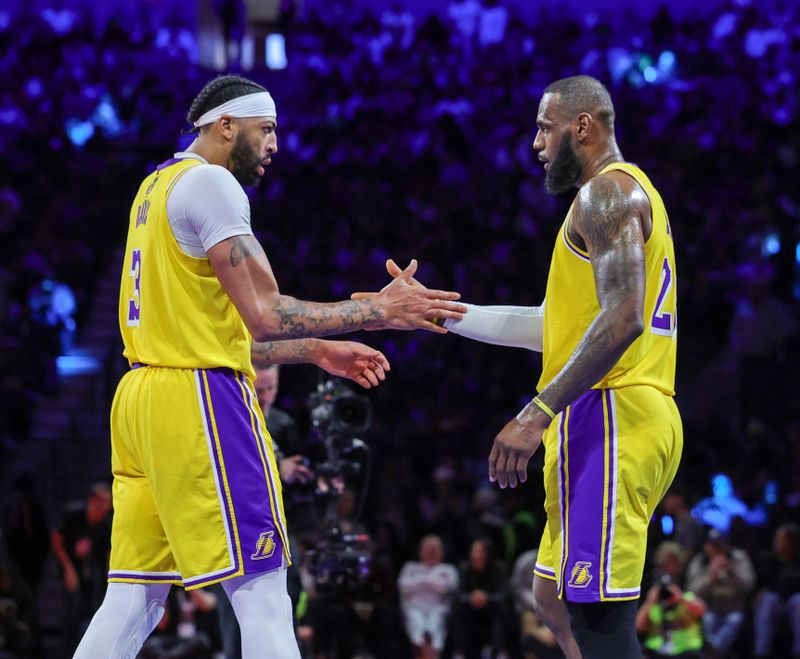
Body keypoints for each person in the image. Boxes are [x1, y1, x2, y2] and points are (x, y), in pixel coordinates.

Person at [73, 74, 466, 659]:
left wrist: (315, 350)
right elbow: (265, 315)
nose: (276, 144)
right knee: (263, 589)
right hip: (199, 400)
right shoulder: (213, 186)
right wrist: (377, 309)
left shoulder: (155, 187)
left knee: (135, 598)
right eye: (267, 129)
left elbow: (211, 329)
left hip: (140, 401)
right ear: (224, 126)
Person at [374, 75, 682, 658]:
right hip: (608, 412)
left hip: (613, 411)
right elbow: (554, 329)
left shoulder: (606, 195)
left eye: (545, 127)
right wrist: (444, 313)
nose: (536, 143)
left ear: (582, 126)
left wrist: (536, 412)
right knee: (551, 597)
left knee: (600, 622)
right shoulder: (606, 200)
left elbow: (623, 321)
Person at [51, 482, 113, 653]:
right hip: (72, 568)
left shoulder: (107, 521)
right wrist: (68, 569)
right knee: (72, 612)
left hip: (94, 571)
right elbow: (56, 539)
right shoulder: (74, 514)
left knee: (94, 609)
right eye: (103, 502)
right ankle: (70, 652)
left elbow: (108, 551)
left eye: (108, 503)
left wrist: (112, 578)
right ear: (91, 501)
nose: (106, 507)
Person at [685, 528, 755, 658]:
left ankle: (710, 654)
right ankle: (713, 653)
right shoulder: (699, 561)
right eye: (712, 545)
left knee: (734, 620)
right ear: (706, 546)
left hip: (733, 609)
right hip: (708, 609)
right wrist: (710, 576)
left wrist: (731, 572)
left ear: (726, 545)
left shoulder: (738, 558)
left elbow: (749, 585)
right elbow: (691, 592)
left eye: (719, 545)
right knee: (708, 620)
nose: (716, 549)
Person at [636, 542, 705, 659]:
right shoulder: (654, 597)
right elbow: (638, 627)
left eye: (671, 563)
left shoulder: (686, 593)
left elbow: (702, 610)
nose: (667, 568)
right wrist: (650, 601)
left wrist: (680, 598)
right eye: (663, 565)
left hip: (685, 652)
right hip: (656, 652)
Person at [397, 534, 459, 657]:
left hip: (438, 607)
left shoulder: (448, 569)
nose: (431, 553)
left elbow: (448, 588)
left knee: (436, 622)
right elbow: (403, 586)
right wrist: (429, 580)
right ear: (421, 551)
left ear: (441, 552)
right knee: (416, 621)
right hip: (414, 607)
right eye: (428, 549)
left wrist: (420, 581)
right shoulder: (410, 567)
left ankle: (433, 653)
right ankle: (420, 649)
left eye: (434, 549)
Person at [753, 523, 800, 658]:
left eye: (781, 539)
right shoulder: (766, 558)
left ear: (792, 542)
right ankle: (761, 652)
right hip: (774, 600)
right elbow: (761, 585)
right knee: (768, 600)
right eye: (776, 538)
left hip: (793, 600)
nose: (776, 542)